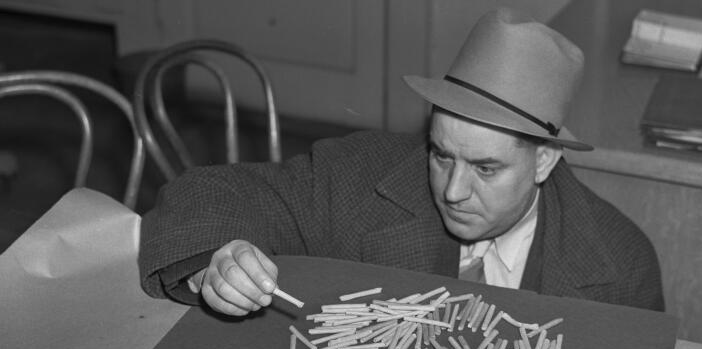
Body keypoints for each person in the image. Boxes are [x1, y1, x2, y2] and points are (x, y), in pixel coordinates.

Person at [138, 8, 664, 316]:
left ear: (545, 161)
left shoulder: (620, 267)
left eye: (485, 169)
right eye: (441, 155)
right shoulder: (360, 177)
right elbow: (207, 196)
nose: (453, 190)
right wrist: (220, 258)